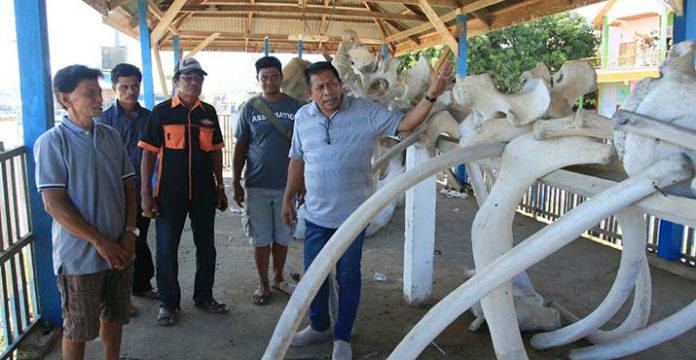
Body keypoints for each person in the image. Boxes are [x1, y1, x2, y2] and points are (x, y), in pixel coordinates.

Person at [281, 61, 452, 360]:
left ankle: (343, 337)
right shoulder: (302, 118)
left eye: (332, 84)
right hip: (316, 216)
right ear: (309, 93)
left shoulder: (365, 111)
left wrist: (432, 94)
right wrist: (287, 198)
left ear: (341, 84)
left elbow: (406, 124)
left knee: (347, 277)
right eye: (320, 87)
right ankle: (319, 326)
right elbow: (297, 158)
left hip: (353, 216)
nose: (328, 91)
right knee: (315, 277)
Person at [35, 64, 137, 360]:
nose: (98, 98)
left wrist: (129, 233)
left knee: (115, 315)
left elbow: (129, 187)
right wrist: (99, 242)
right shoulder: (52, 143)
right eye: (89, 93)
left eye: (98, 91)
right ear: (66, 98)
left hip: (119, 245)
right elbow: (53, 203)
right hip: (79, 255)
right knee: (78, 327)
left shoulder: (110, 136)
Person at [138, 57, 228, 327]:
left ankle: (204, 296)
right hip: (169, 194)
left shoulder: (208, 113)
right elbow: (148, 156)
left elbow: (215, 152)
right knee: (166, 248)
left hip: (203, 193)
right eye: (188, 77)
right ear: (176, 81)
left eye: (198, 78)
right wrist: (146, 193)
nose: (194, 82)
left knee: (206, 248)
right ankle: (169, 302)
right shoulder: (162, 112)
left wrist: (220, 187)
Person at [233, 56, 302, 305]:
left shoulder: (296, 107)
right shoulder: (250, 107)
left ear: (281, 78)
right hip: (256, 185)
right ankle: (263, 283)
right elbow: (240, 146)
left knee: (282, 236)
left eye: (274, 76)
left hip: (287, 186)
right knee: (260, 238)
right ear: (258, 80)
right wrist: (235, 182)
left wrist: (301, 183)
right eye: (264, 77)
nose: (269, 81)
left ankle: (277, 277)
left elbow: (303, 149)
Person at [98, 64, 159, 317]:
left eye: (135, 86)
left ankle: (140, 285)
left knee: (137, 238)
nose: (130, 91)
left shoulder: (149, 118)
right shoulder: (103, 121)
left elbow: (155, 155)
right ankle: (117, 298)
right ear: (114, 89)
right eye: (124, 86)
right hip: (112, 194)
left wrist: (151, 191)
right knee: (114, 242)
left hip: (140, 191)